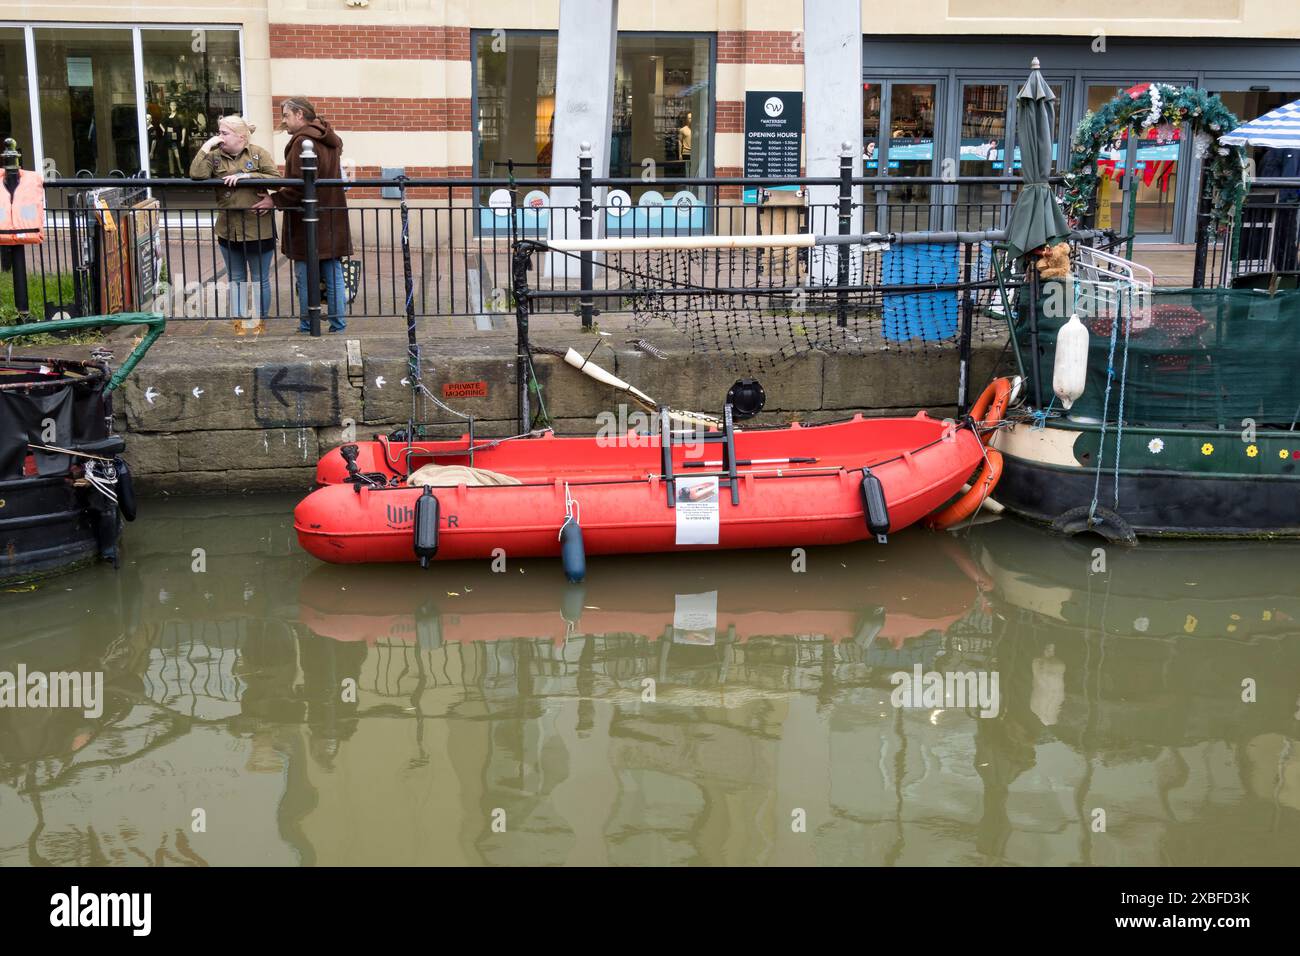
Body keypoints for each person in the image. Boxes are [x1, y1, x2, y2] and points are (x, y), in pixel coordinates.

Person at [255, 97, 352, 333]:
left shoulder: (303, 141)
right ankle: (338, 325)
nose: (284, 121)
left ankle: (308, 324)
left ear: (300, 114)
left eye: (286, 115)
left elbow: (301, 185)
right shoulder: (328, 137)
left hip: (308, 219)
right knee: (333, 272)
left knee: (305, 274)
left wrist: (274, 199)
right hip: (331, 215)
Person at [190, 114, 279, 335]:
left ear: (240, 136)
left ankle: (259, 322)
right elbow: (196, 174)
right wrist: (206, 147)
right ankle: (239, 323)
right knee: (236, 278)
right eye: (219, 132)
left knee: (260, 279)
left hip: (258, 228)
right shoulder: (215, 157)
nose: (219, 137)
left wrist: (248, 175)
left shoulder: (258, 153)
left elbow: (276, 179)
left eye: (224, 133)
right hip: (228, 229)